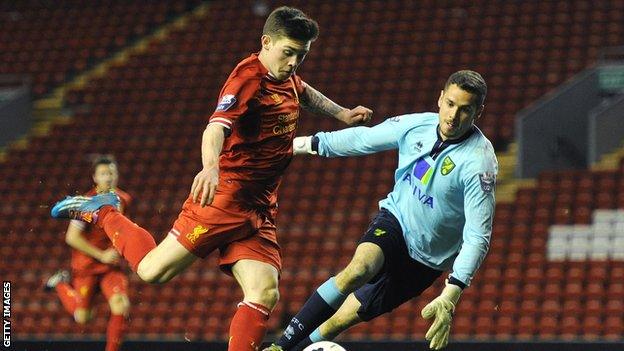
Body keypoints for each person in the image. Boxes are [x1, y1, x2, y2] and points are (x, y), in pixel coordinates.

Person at [50, 6, 373, 351]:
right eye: (288, 53)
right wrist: (210, 167)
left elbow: (303, 91)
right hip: (224, 199)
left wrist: (341, 112)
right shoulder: (246, 79)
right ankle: (103, 212)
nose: (294, 62)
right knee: (151, 272)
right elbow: (215, 127)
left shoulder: (286, 76)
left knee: (264, 290)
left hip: (259, 208)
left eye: (301, 55)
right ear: (266, 42)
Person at [264, 70, 497, 351]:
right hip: (396, 221)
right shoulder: (416, 126)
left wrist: (452, 291)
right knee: (358, 269)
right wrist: (296, 146)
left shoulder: (478, 164)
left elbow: (477, 235)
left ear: (478, 113)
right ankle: (278, 347)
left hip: (426, 261)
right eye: (450, 104)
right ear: (440, 99)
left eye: (465, 110)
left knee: (338, 322)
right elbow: (363, 139)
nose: (452, 116)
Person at [45, 156, 131, 351]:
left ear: (116, 175)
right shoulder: (86, 203)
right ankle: (59, 282)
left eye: (111, 173)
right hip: (87, 266)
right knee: (83, 318)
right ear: (95, 177)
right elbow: (72, 237)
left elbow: (121, 229)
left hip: (110, 267)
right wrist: (101, 255)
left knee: (121, 304)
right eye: (103, 174)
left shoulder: (124, 200)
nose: (107, 178)